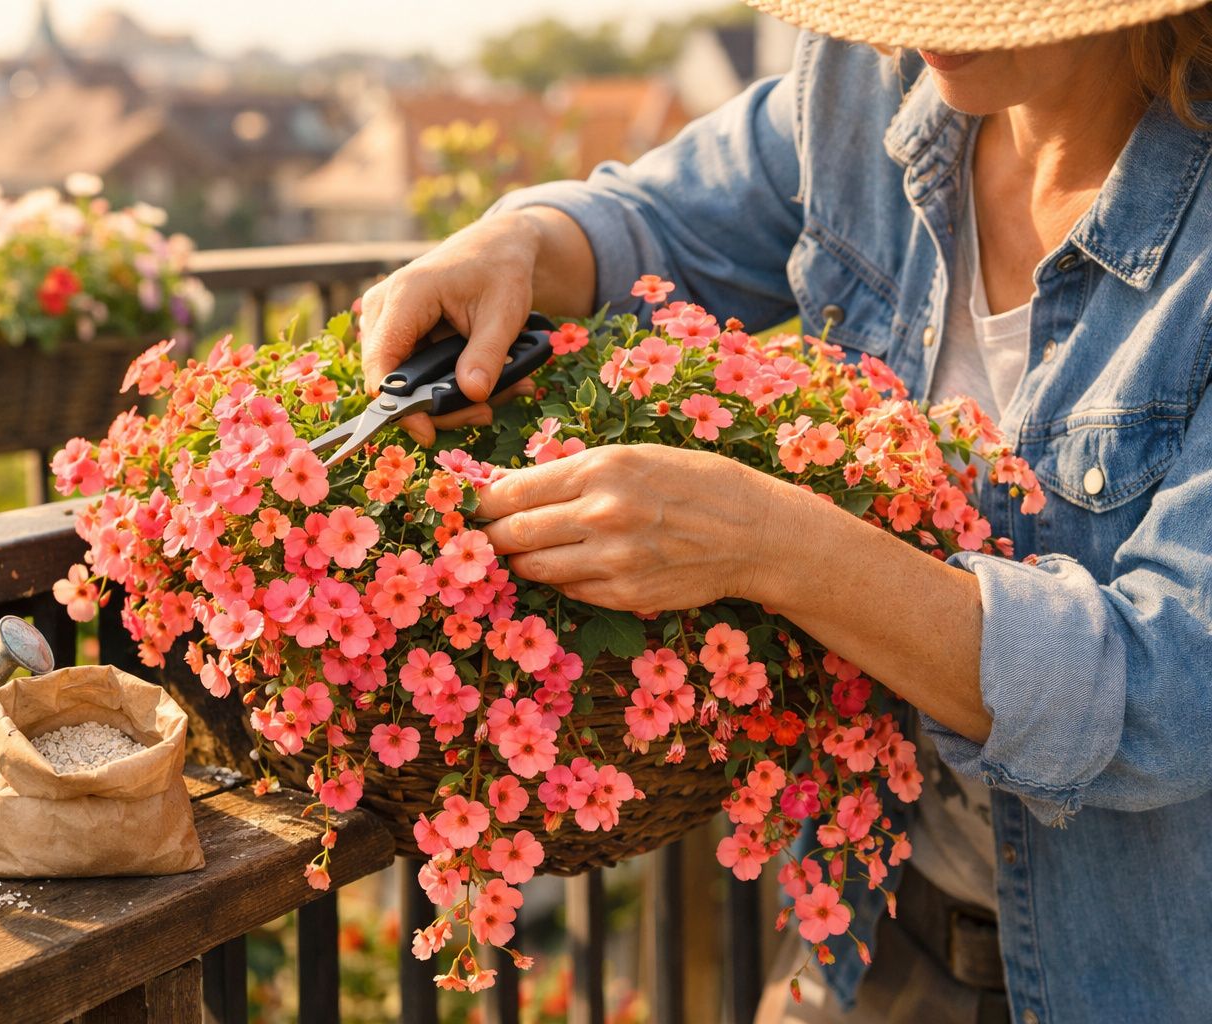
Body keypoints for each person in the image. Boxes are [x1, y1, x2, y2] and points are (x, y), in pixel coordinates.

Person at [357, 1, 1212, 1021]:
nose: (908, 23)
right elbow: (661, 222)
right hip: (871, 924)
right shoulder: (863, 81)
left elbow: (1167, 693)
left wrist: (768, 543)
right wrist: (515, 246)